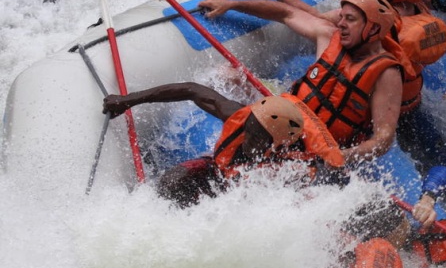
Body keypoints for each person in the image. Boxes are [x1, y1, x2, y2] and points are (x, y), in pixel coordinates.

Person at [283, 0, 446, 170]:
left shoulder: (381, 21)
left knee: (418, 153)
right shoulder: (417, 5)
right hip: (412, 102)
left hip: (389, 106)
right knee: (435, 155)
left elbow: (317, 19)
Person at [199, 0, 411, 165]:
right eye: (342, 17)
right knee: (226, 74)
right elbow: (286, 13)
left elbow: (383, 139)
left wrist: (340, 157)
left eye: (351, 19)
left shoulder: (386, 74)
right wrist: (231, 4)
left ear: (373, 28)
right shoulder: (329, 36)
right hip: (287, 113)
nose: (342, 24)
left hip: (319, 146)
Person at [102, 85, 344, 207]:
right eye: (249, 133)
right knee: (173, 181)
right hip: (224, 174)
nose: (248, 142)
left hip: (257, 197)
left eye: (258, 140)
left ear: (278, 144)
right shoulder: (242, 117)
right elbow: (191, 89)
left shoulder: (297, 164)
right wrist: (129, 100)